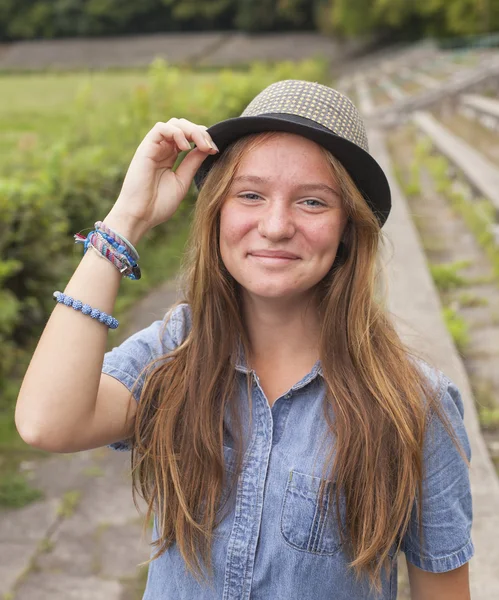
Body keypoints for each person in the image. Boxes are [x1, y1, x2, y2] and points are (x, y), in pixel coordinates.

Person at [15, 80, 473, 599]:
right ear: (217, 211)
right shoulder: (175, 352)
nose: (276, 226)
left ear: (348, 226)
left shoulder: (414, 404)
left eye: (312, 202)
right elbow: (46, 422)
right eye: (250, 195)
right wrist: (128, 219)